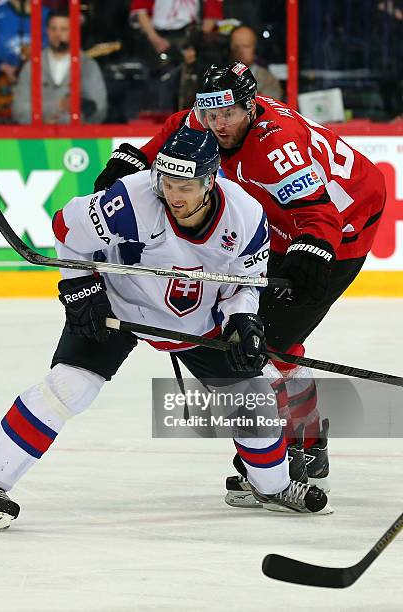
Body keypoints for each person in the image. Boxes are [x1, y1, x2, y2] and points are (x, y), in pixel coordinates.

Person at [0, 126, 332, 531]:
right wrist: (80, 289)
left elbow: (244, 283)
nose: (173, 194)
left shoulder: (246, 216)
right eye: (167, 181)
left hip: (196, 319)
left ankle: (270, 487)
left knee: (253, 399)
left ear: (210, 180)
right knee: (70, 386)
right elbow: (67, 229)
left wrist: (243, 322)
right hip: (120, 303)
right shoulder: (130, 201)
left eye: (185, 185)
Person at [93, 62, 387, 507]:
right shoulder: (206, 119)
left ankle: (302, 449)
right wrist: (131, 160)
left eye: (228, 113)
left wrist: (314, 252)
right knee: (258, 338)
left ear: (250, 106)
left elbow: (319, 214)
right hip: (283, 222)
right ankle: (303, 445)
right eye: (210, 114)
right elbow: (166, 144)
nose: (218, 124)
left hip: (340, 226)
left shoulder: (276, 148)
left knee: (268, 342)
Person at [12, 9, 108, 124]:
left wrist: (64, 123)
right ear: (47, 31)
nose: (57, 34)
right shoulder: (32, 66)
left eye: (63, 29)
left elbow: (99, 110)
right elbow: (19, 110)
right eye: (53, 29)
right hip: (37, 138)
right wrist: (58, 106)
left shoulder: (88, 66)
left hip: (77, 140)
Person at [0, 0, 50, 119]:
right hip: (3, 94)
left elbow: (63, 57)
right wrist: (3, 68)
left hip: (42, 96)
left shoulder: (48, 15)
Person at [229, 25, 282, 100]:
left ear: (255, 48)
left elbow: (270, 108)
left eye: (246, 46)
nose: (240, 51)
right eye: (236, 46)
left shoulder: (267, 80)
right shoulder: (219, 76)